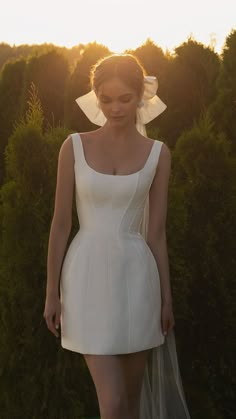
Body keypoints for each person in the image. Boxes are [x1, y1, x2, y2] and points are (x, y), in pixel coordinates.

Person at [43, 53, 191, 419]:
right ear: (95, 96)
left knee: (130, 404)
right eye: (106, 99)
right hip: (85, 279)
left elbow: (156, 233)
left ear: (141, 96)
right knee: (111, 404)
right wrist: (51, 293)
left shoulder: (159, 154)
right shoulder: (73, 146)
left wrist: (166, 299)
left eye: (124, 99)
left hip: (138, 282)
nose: (115, 108)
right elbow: (61, 225)